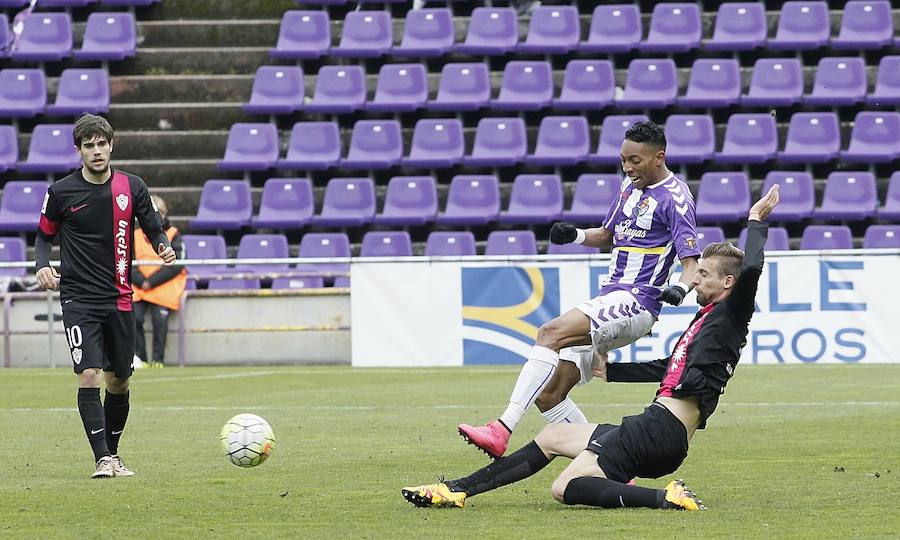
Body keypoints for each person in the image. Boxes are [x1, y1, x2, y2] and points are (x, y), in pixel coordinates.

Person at [404, 185, 780, 511]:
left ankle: (665, 498)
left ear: (728, 282)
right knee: (552, 437)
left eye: (703, 274)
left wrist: (755, 218)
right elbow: (669, 367)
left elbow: (752, 270)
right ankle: (455, 490)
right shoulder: (710, 320)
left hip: (660, 431)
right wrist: (612, 372)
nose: (694, 279)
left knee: (563, 487)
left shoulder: (732, 312)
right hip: (658, 430)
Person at [459, 121, 701, 458]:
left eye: (635, 160)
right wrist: (573, 235)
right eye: (623, 160)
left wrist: (680, 289)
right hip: (611, 296)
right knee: (550, 395)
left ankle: (502, 428)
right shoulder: (629, 188)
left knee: (550, 332)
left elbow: (692, 262)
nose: (628, 167)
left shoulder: (676, 198)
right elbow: (607, 234)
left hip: (638, 301)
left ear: (658, 157)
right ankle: (608, 462)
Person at [35, 114, 176, 479]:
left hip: (120, 297)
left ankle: (112, 455)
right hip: (79, 299)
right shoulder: (61, 191)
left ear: (111, 145)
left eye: (101, 144)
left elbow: (151, 223)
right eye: (89, 145)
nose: (96, 151)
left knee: (119, 381)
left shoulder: (132, 186)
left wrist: (162, 246)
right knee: (90, 374)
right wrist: (41, 265)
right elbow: (43, 236)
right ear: (79, 150)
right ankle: (101, 459)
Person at [131, 194, 186, 368]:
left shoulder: (174, 234)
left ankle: (158, 360)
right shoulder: (135, 234)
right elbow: (126, 261)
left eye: (159, 212)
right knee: (134, 317)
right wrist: (141, 281)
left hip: (163, 287)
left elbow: (177, 263)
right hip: (139, 288)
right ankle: (141, 358)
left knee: (159, 321)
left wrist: (151, 281)